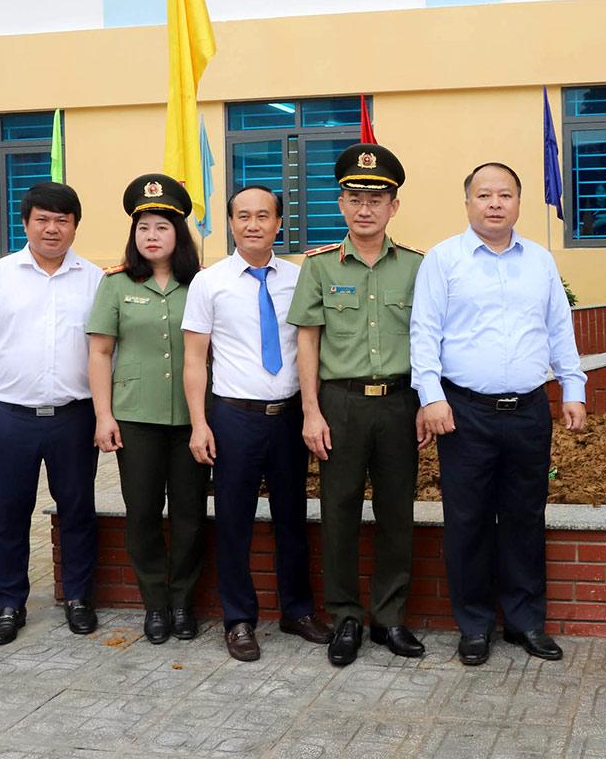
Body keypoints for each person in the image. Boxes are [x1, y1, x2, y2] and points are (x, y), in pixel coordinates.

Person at [410, 162, 587, 666]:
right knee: (466, 520)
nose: (494, 203)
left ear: (518, 203)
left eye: (504, 195)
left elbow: (559, 327)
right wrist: (431, 396)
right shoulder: (444, 259)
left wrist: (572, 387)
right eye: (484, 195)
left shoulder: (539, 261)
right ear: (468, 202)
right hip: (464, 412)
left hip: (528, 410)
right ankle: (474, 625)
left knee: (524, 517)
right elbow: (424, 332)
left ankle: (526, 621)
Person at [286, 144, 427, 667]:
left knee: (396, 512)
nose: (365, 208)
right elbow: (307, 340)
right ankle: (345, 616)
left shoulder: (417, 266)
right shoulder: (319, 267)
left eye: (376, 199)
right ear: (341, 204)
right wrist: (311, 410)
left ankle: (389, 618)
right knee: (338, 511)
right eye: (355, 198)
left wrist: (426, 401)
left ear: (394, 206)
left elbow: (429, 338)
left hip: (399, 403)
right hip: (339, 404)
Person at [182, 185, 330, 662]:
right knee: (233, 521)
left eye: (263, 216)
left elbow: (311, 346)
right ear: (230, 223)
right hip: (234, 417)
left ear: (278, 223)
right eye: (243, 216)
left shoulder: (299, 279)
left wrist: (312, 410)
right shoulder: (209, 283)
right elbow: (194, 360)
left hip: (288, 417)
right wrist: (199, 423)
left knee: (292, 517)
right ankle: (239, 619)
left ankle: (297, 610)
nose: (253, 224)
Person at [0, 182, 103, 647]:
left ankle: (78, 597)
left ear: (75, 226)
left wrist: (106, 415)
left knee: (77, 509)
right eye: (42, 219)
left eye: (62, 220)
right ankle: (8, 603)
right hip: (9, 417)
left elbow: (107, 353)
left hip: (74, 416)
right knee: (7, 513)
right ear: (25, 223)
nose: (52, 229)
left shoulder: (95, 280)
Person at [87, 174, 209, 645]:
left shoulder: (201, 284)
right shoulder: (116, 284)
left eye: (162, 227)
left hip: (192, 419)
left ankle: (182, 603)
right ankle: (155, 604)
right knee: (141, 513)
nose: (151, 236)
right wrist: (104, 415)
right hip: (135, 417)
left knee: (190, 515)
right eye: (143, 228)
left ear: (179, 233)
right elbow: (100, 352)